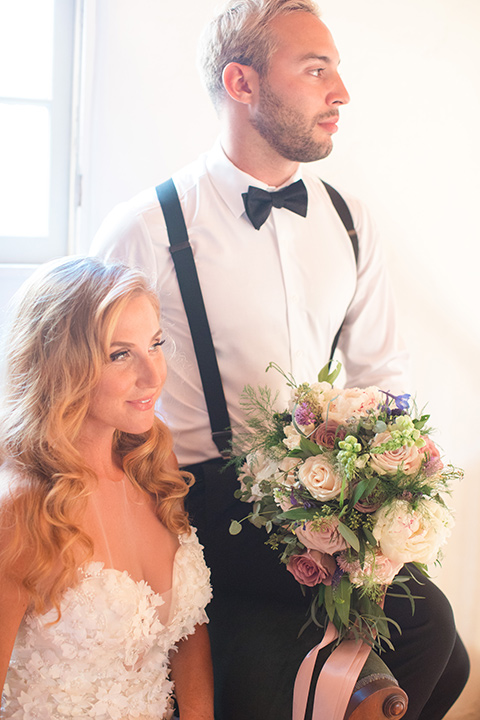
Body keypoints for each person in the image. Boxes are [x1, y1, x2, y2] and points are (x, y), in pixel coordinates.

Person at [91, 1, 470, 718]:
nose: (342, 93)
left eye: (338, 70)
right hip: (201, 502)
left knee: (446, 659)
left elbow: (383, 376)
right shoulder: (146, 228)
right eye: (316, 69)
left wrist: (389, 497)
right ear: (242, 84)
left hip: (330, 499)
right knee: (428, 630)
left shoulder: (351, 220)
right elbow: (89, 385)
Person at [0, 257, 214, 720]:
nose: (153, 375)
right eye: (120, 354)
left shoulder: (154, 464)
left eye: (155, 344)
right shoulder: (23, 507)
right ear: (62, 365)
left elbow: (187, 634)